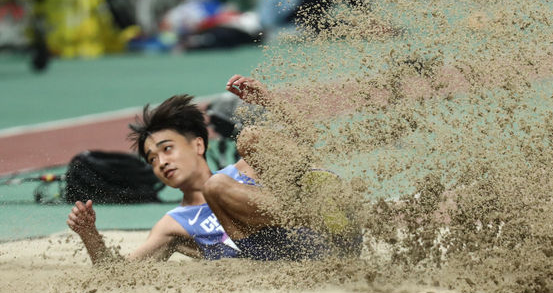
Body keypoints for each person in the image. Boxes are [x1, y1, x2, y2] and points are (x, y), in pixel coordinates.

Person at [67, 74, 354, 264]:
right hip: (285, 263)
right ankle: (317, 211)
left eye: (167, 149)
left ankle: (325, 212)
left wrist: (270, 102)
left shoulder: (245, 170)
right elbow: (119, 274)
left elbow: (305, 142)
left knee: (252, 138)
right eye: (152, 159)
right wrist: (90, 236)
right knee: (215, 187)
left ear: (199, 146)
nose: (162, 162)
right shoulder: (174, 223)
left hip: (322, 239)